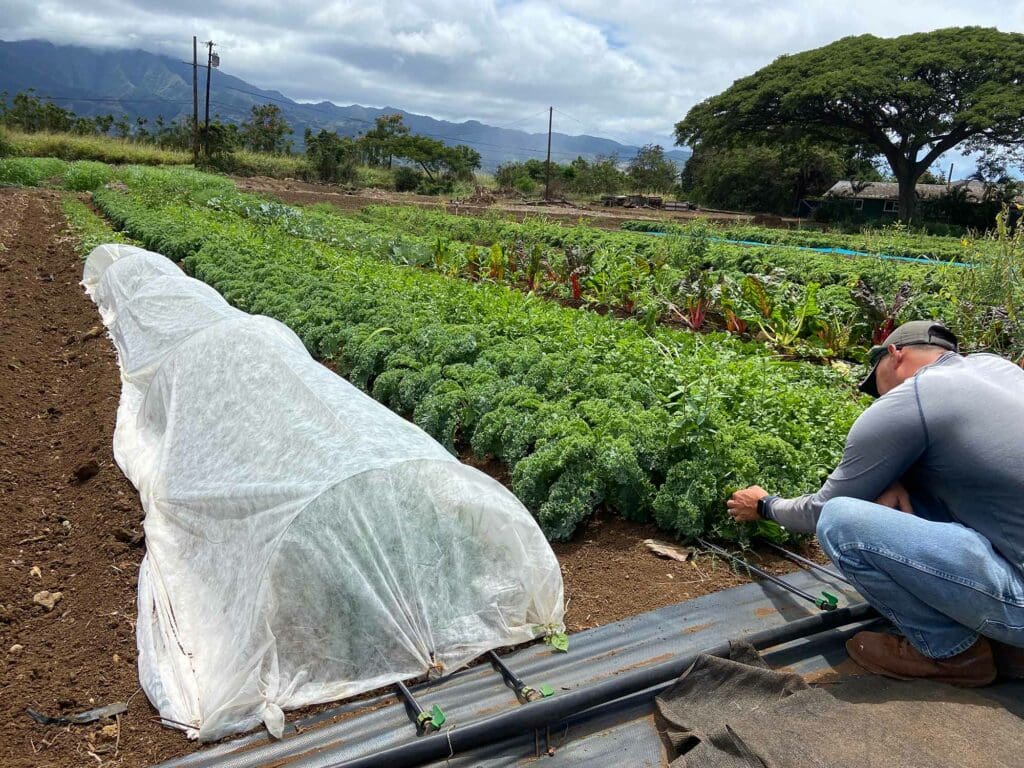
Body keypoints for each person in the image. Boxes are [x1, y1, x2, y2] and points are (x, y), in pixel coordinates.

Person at [727, 320, 1024, 686]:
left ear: (895, 354)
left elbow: (823, 509)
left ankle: (952, 653)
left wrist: (765, 506)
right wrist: (897, 476)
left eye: (876, 382)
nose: (878, 396)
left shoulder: (915, 397)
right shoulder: (998, 368)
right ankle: (1011, 650)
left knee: (842, 522)